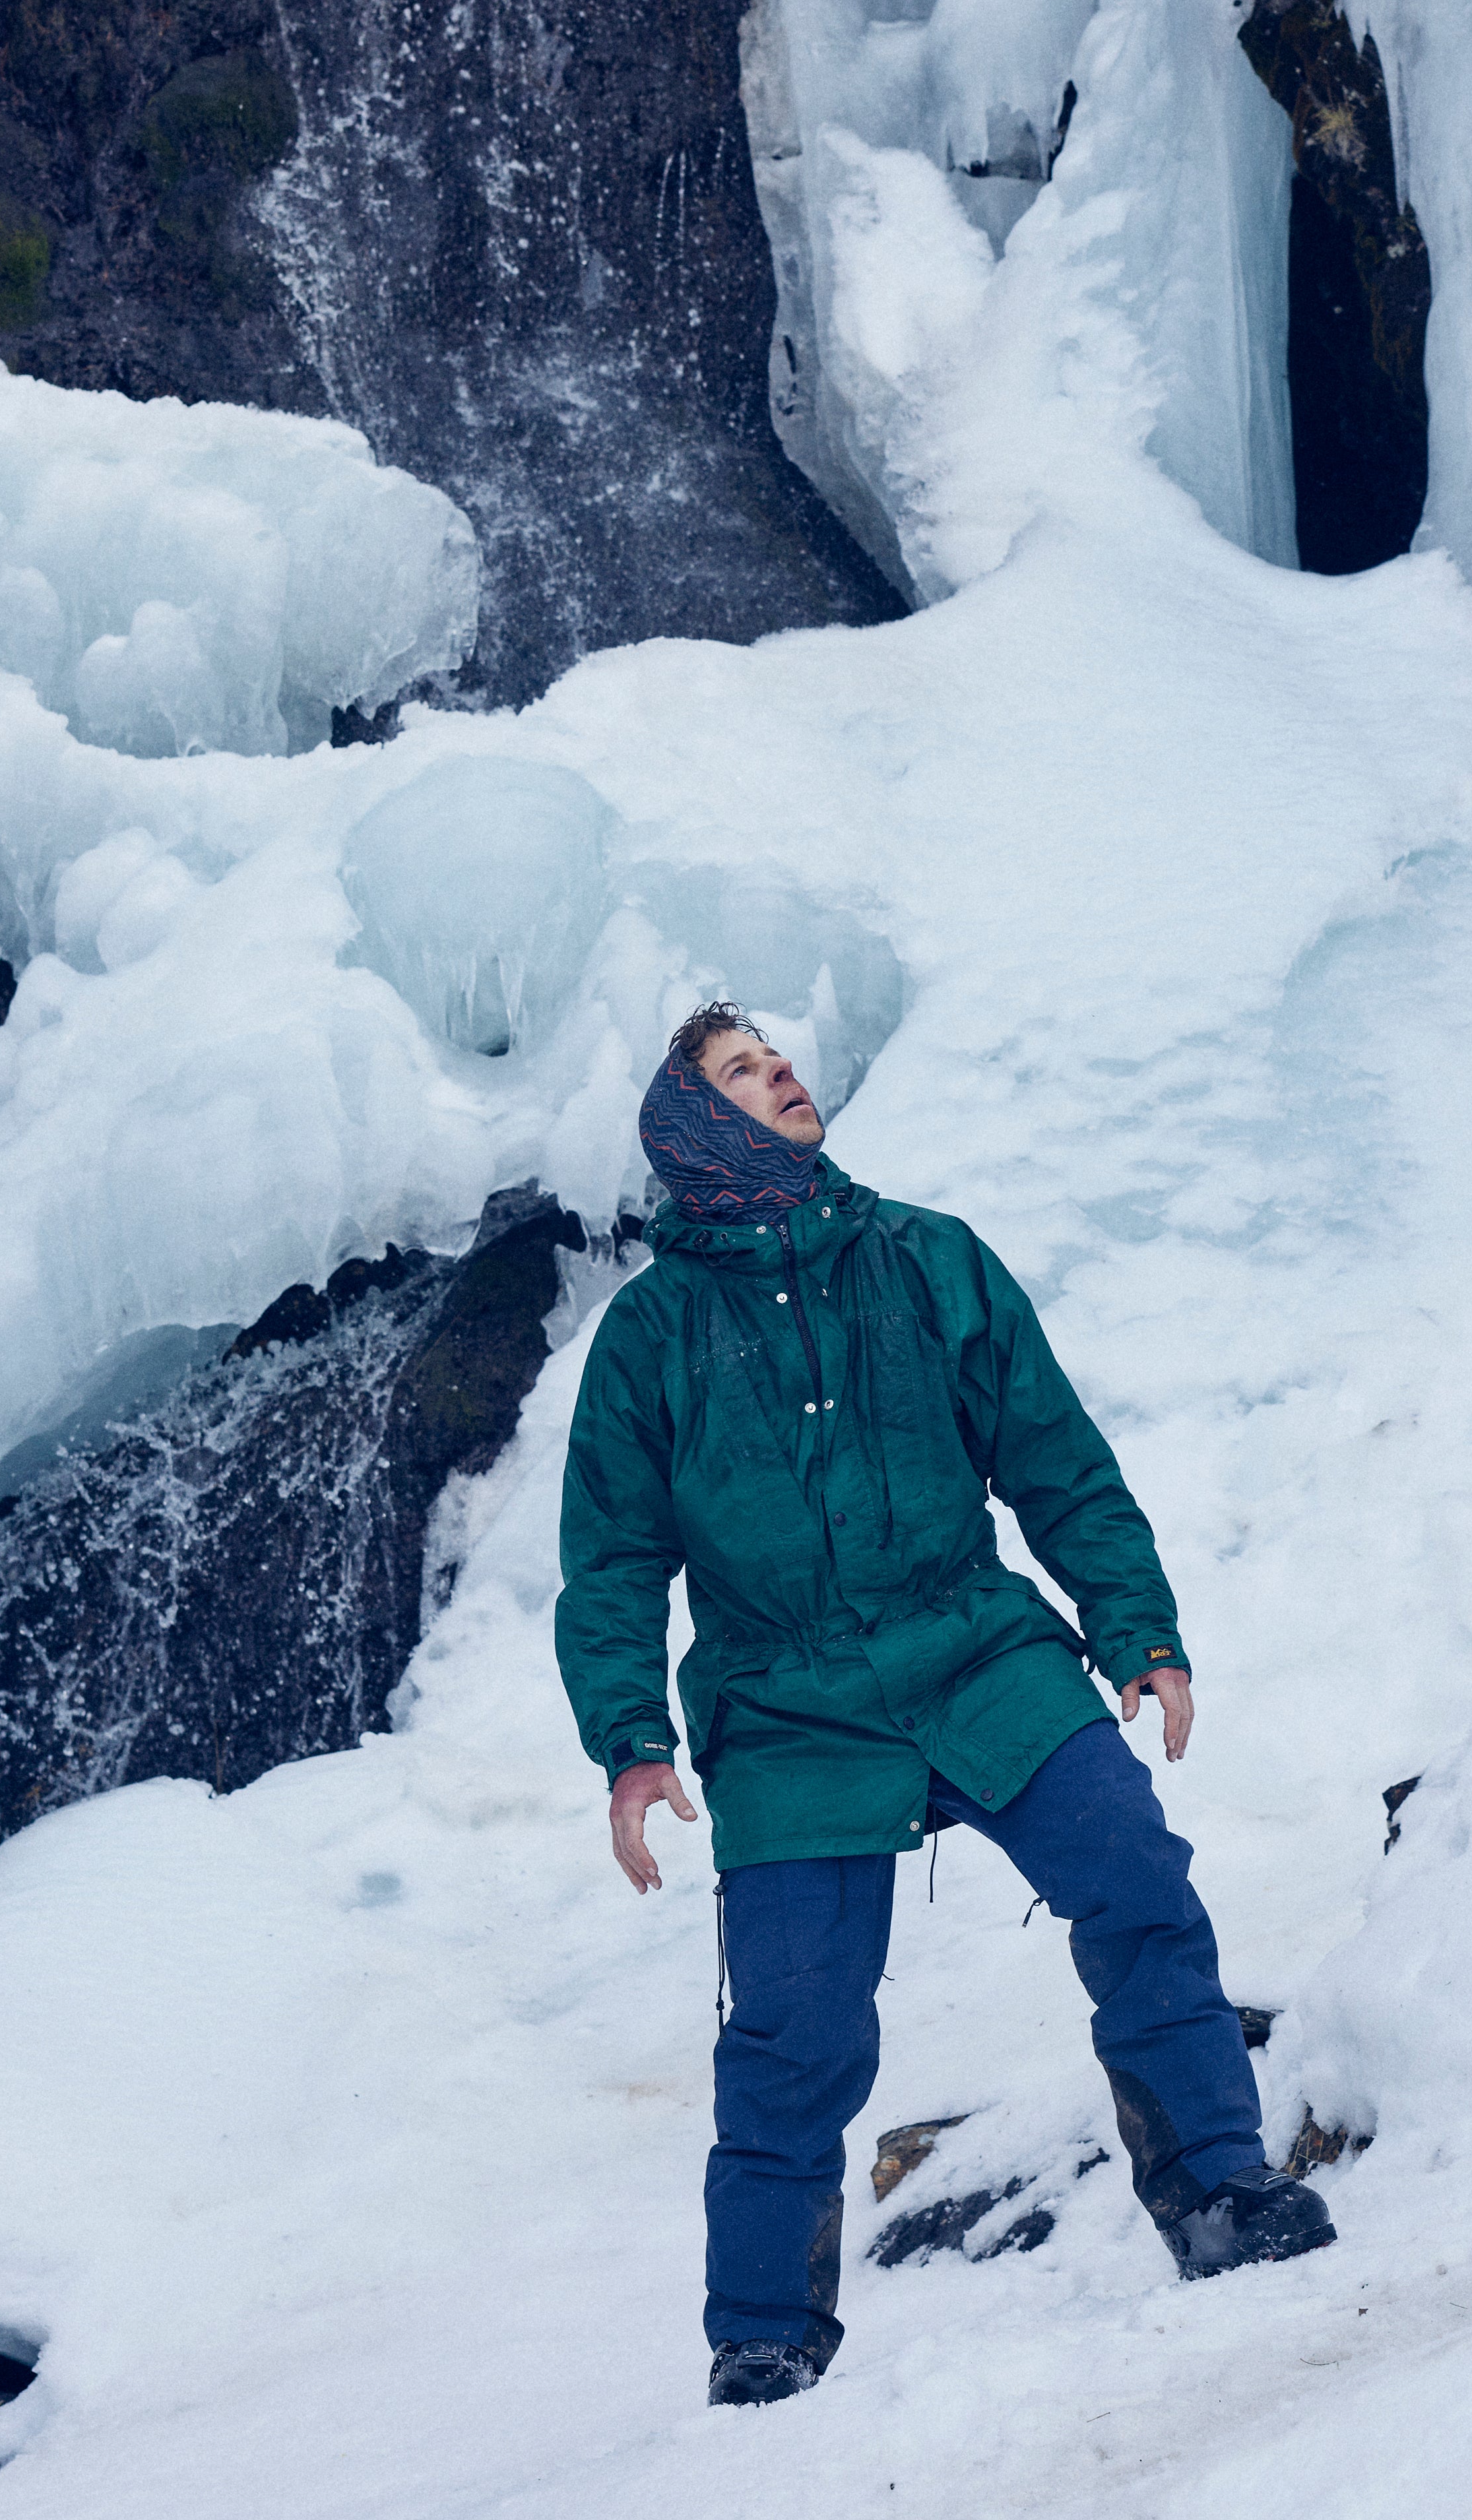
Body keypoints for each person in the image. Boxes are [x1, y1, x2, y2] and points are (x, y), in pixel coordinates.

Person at [556, 1002, 1337, 2408]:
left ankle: (1221, 2192)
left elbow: (1053, 1458)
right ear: (690, 1131)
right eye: (743, 1072)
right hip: (786, 1709)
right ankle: (765, 2333)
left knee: (1138, 1881)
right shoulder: (649, 1336)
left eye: (779, 1059)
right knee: (795, 2026)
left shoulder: (930, 1259)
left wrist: (1135, 1629)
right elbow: (610, 1562)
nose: (783, 1075)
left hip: (978, 1651)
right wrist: (630, 1742)